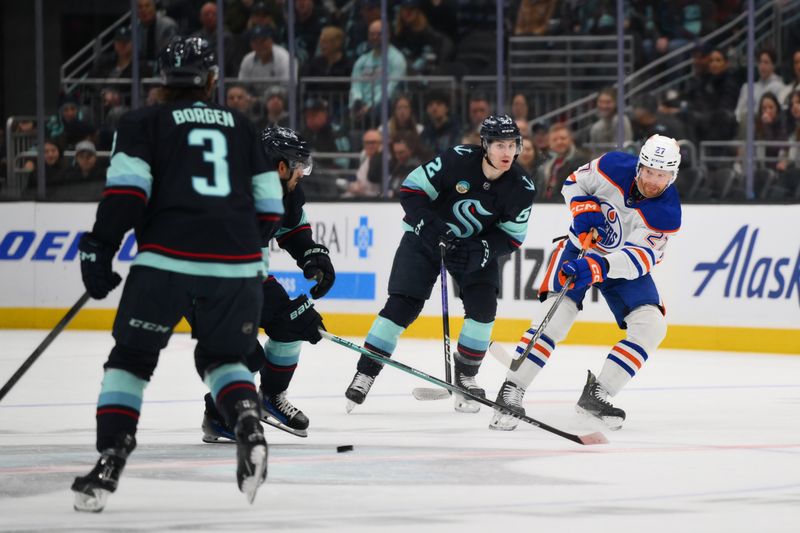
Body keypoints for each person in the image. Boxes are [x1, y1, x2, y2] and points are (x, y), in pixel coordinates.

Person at [70, 36, 284, 512]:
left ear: (162, 78)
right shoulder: (243, 126)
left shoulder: (142, 121)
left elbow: (127, 195)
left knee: (131, 360)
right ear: (211, 79)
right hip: (238, 267)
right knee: (224, 359)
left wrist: (100, 246)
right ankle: (248, 425)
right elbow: (271, 210)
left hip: (166, 263)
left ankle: (110, 462)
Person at [344, 115, 537, 413]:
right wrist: (431, 226)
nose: (507, 153)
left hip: (471, 247)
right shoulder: (456, 160)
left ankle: (466, 377)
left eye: (513, 145)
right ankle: (365, 373)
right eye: (500, 145)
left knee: (484, 310)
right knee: (401, 306)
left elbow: (511, 238)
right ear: (485, 144)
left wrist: (481, 250)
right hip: (424, 239)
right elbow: (411, 191)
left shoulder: (521, 187)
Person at [489, 134, 682, 432]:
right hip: (580, 248)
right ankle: (512, 388)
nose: (654, 181)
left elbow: (639, 258)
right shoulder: (612, 165)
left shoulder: (667, 212)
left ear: (672, 176)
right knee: (557, 314)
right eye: (649, 172)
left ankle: (597, 393)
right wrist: (582, 207)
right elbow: (573, 182)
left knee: (651, 326)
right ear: (639, 166)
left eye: (662, 175)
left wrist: (599, 265)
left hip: (619, 266)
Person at [201, 127, 334, 441]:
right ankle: (219, 415)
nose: (303, 171)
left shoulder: (285, 191)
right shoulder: (236, 195)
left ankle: (270, 397)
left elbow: (292, 229)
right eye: (298, 164)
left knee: (290, 324)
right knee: (245, 353)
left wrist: (313, 255)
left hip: (244, 272)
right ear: (280, 166)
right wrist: (284, 308)